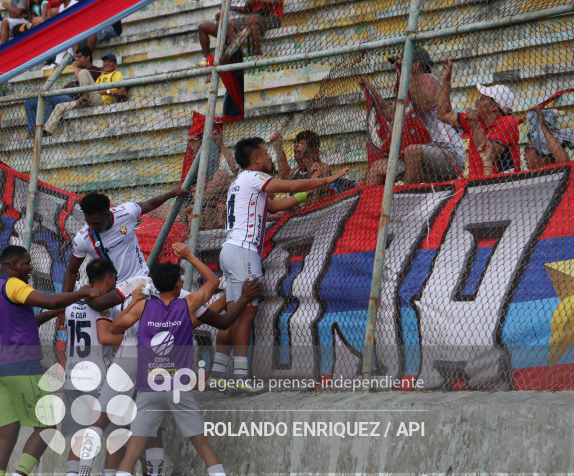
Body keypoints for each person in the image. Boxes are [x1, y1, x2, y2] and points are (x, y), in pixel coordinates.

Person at [105, 243, 240, 476]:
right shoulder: (187, 305)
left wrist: (134, 300)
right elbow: (213, 282)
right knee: (202, 445)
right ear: (178, 285)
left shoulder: (143, 307)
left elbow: (115, 327)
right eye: (180, 280)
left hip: (148, 389)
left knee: (133, 450)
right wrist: (189, 256)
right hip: (178, 389)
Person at [0, 245, 100, 476]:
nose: (30, 267)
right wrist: (83, 292)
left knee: (7, 435)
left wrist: (56, 311)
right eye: (26, 263)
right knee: (47, 426)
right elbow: (48, 300)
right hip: (21, 364)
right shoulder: (13, 284)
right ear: (12, 264)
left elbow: (25, 321)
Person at [217, 137, 349, 392]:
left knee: (233, 314)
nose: (270, 158)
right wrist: (324, 180)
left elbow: (275, 206)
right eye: (266, 153)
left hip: (230, 251)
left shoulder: (239, 182)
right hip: (244, 252)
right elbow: (289, 184)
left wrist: (305, 194)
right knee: (246, 314)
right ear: (256, 159)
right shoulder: (255, 177)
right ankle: (241, 377)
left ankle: (218, 373)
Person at [58, 258, 119, 476]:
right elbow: (106, 337)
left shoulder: (71, 303)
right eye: (114, 281)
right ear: (108, 279)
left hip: (73, 375)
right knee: (110, 436)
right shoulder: (103, 306)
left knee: (79, 436)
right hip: (97, 377)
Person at [358, 47, 465, 185]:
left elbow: (424, 105)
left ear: (416, 65)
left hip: (448, 156)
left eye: (402, 62)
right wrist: (371, 90)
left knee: (412, 151)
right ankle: (371, 200)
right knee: (377, 167)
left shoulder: (428, 79)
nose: (397, 66)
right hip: (421, 160)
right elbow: (392, 116)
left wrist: (406, 74)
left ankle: (410, 196)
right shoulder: (407, 87)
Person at [436, 59, 519, 178]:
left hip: (502, 183)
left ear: (494, 106)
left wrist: (475, 124)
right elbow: (443, 114)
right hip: (476, 183)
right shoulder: (478, 120)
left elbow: (489, 153)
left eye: (482, 99)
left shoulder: (508, 122)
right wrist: (446, 80)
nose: (476, 102)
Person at [24, 46, 101, 138]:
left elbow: (83, 83)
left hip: (73, 98)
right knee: (29, 101)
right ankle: (32, 131)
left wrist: (75, 68)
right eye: (76, 57)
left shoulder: (94, 70)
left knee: (47, 98)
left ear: (87, 57)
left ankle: (43, 131)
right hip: (64, 95)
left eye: (79, 57)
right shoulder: (80, 70)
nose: (76, 60)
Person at [197, 0, 283, 62]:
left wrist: (256, 1)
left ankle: (257, 52)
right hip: (254, 16)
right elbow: (247, 9)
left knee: (251, 18)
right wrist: (225, 11)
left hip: (270, 15)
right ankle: (240, 56)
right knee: (226, 24)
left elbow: (279, 2)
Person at [524, 105, 571, 170]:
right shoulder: (530, 175)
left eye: (528, 148)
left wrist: (542, 126)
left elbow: (565, 163)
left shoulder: (558, 172)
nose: (524, 154)